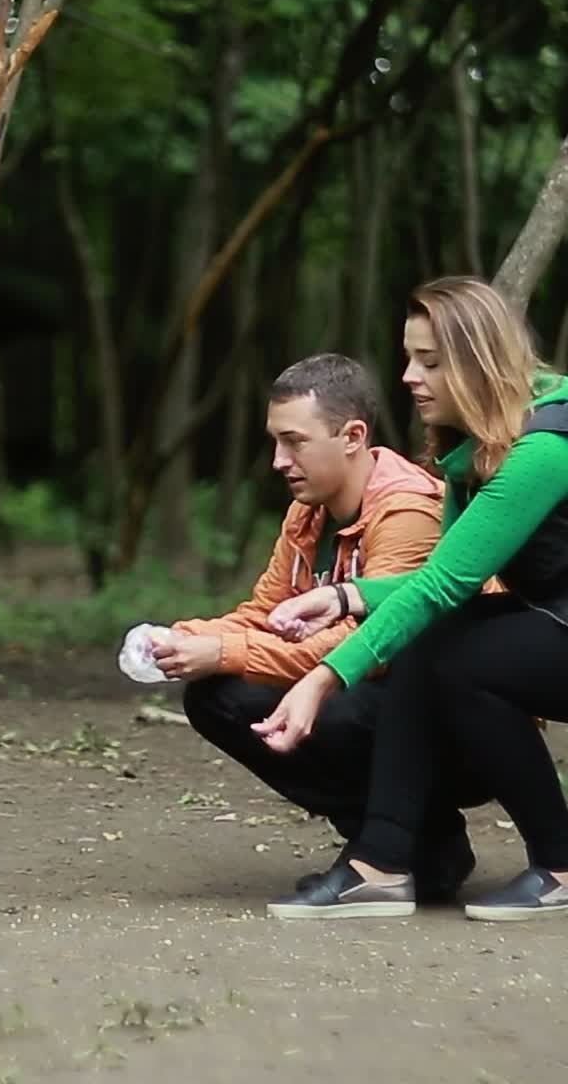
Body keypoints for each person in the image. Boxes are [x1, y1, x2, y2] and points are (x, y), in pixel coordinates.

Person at [255, 277, 568, 922]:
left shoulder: (544, 450)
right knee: (437, 639)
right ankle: (380, 864)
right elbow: (447, 575)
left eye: (430, 361)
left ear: (480, 361)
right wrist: (348, 594)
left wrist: (325, 676)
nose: (409, 376)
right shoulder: (476, 450)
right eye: (409, 357)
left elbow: (442, 588)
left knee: (465, 658)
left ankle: (562, 871)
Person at [152, 353, 483, 901]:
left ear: (352, 436)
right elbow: (265, 612)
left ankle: (412, 845)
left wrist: (226, 651)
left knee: (326, 702)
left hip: (458, 729)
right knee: (218, 696)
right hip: (379, 700)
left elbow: (378, 645)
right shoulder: (308, 510)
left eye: (296, 442)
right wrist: (187, 636)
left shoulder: (407, 513)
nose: (280, 460)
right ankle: (407, 842)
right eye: (275, 442)